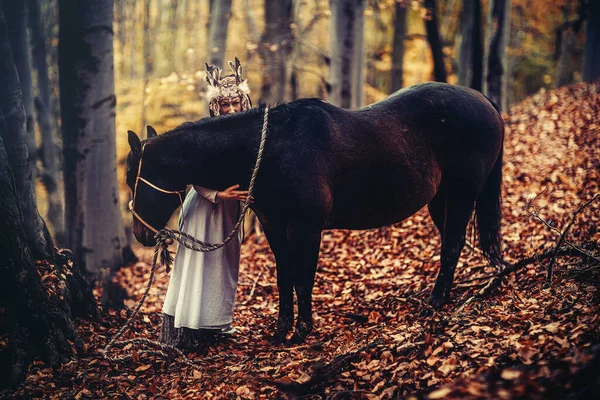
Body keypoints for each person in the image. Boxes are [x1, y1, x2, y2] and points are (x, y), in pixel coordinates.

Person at [160, 58, 253, 348]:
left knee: (223, 264)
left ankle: (215, 323)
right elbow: (192, 174)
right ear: (216, 106)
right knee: (200, 263)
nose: (232, 108)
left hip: (229, 211)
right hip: (204, 208)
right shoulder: (206, 134)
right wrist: (217, 195)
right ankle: (189, 327)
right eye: (225, 104)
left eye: (235, 102)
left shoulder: (246, 135)